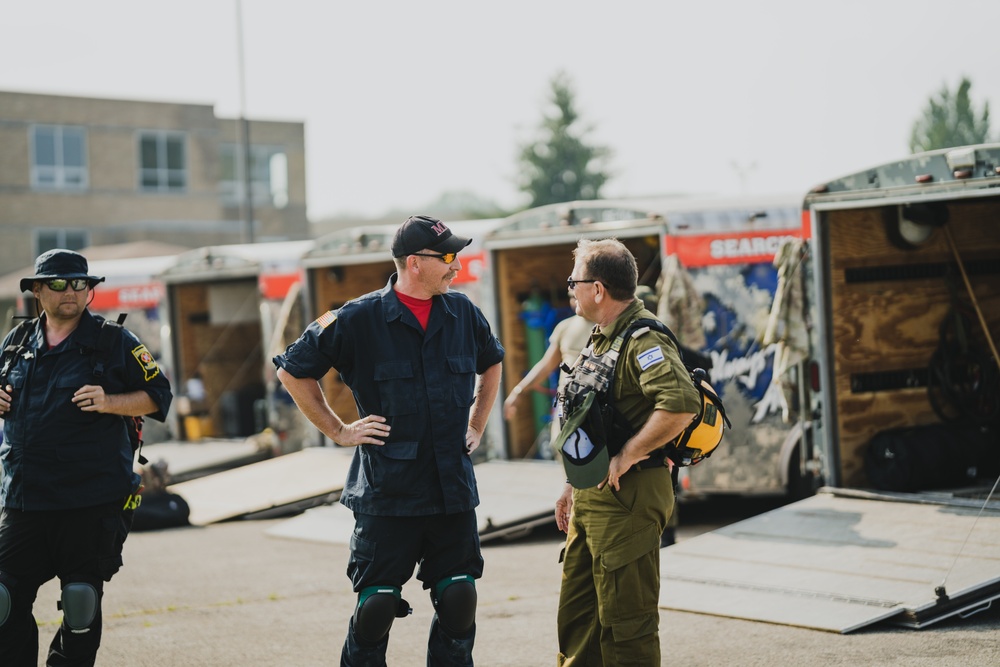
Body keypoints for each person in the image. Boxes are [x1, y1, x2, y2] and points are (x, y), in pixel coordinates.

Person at [273, 215, 504, 667]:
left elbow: (491, 362)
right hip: (388, 493)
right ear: (415, 263)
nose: (457, 266)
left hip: (451, 489)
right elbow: (292, 371)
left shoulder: (464, 314)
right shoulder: (356, 318)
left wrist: (477, 423)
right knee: (376, 605)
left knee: (460, 597)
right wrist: (339, 431)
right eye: (449, 257)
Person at [0, 248, 173, 666]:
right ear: (37, 290)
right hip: (26, 499)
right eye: (58, 284)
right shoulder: (17, 340)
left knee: (80, 602)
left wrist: (110, 401)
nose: (70, 292)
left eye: (80, 284)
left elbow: (159, 396)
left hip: (90, 500)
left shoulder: (114, 341)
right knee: (3, 600)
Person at [554, 238, 701, 665]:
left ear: (597, 289)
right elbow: (590, 421)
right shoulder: (601, 337)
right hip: (593, 496)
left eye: (573, 282)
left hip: (628, 497)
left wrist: (628, 454)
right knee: (579, 618)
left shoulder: (642, 339)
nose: (570, 290)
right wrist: (571, 483)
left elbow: (680, 405)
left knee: (625, 626)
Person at [502, 293, 593, 456]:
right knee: (562, 451)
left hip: (596, 409)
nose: (574, 300)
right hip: (566, 406)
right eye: (571, 297)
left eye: (577, 295)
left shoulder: (608, 325)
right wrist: (518, 391)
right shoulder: (564, 327)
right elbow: (545, 366)